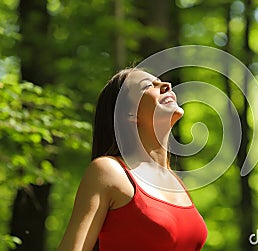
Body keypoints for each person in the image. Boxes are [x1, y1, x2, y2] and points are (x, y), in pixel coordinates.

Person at [58, 68, 207, 250]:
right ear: (131, 114)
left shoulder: (175, 182)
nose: (166, 85)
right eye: (148, 86)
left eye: (161, 81)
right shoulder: (108, 171)